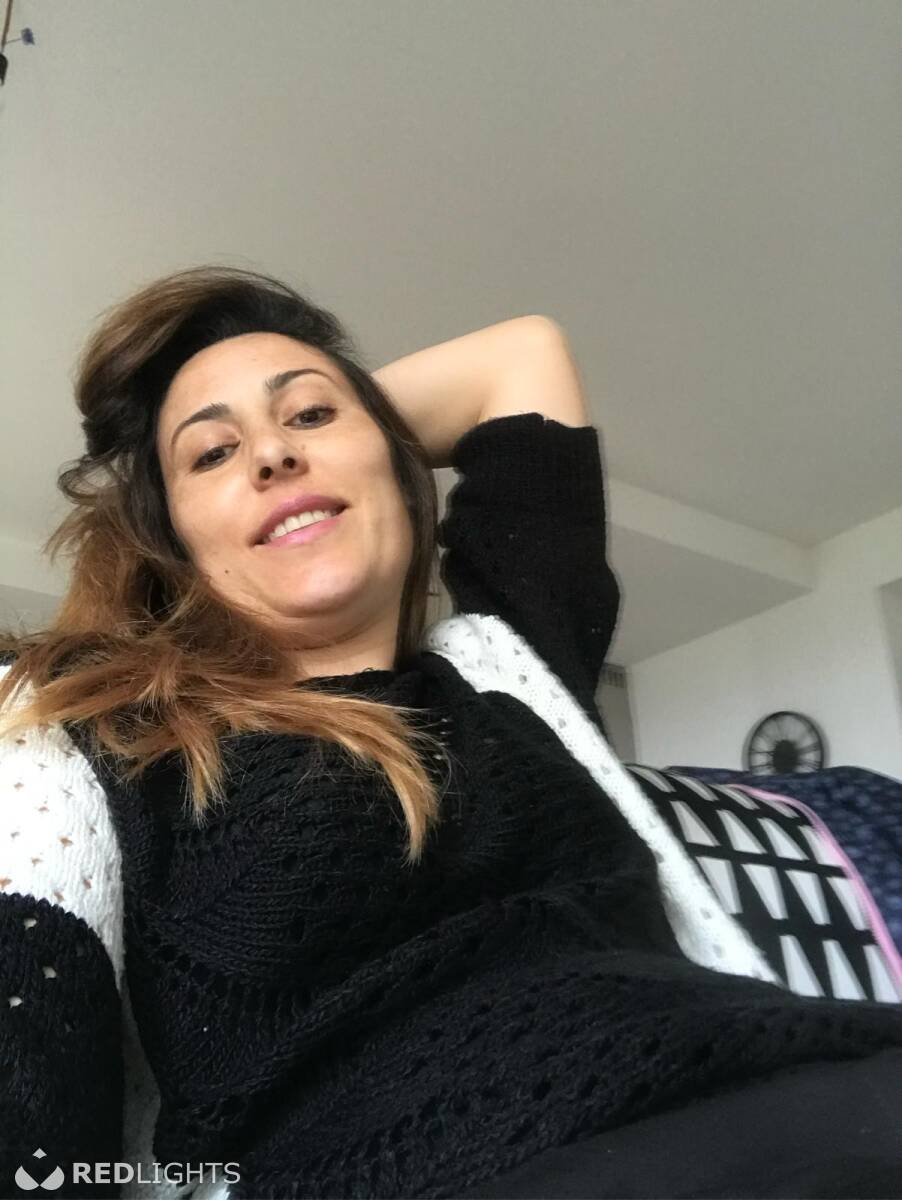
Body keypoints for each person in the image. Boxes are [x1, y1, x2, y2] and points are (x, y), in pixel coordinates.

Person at [0, 266, 899, 1200]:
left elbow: (521, 358)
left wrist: (315, 438)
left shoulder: (507, 664)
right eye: (212, 455)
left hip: (815, 1085)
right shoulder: (97, 737)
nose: (270, 455)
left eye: (311, 415)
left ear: (400, 467)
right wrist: (294, 440)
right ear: (172, 539)